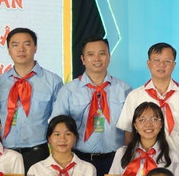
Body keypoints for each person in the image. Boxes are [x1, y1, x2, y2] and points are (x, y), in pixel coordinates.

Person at [0, 27, 63, 165]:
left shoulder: (53, 81)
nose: (21, 49)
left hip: (37, 152)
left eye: (27, 44)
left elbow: (59, 120)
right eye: (15, 45)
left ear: (35, 48)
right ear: (9, 50)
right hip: (3, 152)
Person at [52, 37, 130, 167]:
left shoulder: (124, 90)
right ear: (83, 59)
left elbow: (130, 128)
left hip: (116, 160)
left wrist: (126, 159)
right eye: (91, 54)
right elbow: (57, 125)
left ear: (109, 57)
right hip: (79, 160)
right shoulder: (68, 90)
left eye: (102, 53)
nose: (97, 59)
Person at [116, 43, 179, 163]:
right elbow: (129, 133)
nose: (161, 65)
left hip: (178, 164)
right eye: (156, 60)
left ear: (174, 65)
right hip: (143, 164)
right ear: (148, 63)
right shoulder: (135, 96)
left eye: (167, 61)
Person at [26, 115, 100, 176]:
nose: (62, 139)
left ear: (75, 138)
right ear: (49, 139)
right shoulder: (36, 170)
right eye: (57, 134)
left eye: (68, 134)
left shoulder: (89, 169)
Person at [110, 101, 179, 176]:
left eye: (154, 119)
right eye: (142, 120)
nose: (148, 124)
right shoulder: (121, 153)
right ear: (135, 125)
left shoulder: (172, 156)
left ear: (161, 124)